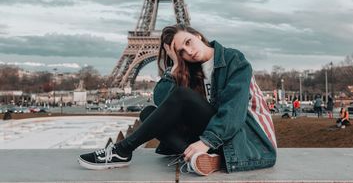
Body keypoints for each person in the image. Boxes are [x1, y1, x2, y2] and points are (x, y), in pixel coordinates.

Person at [78, 24, 277, 175]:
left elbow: (233, 111)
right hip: (219, 135)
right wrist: (174, 68)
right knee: (148, 112)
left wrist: (206, 141)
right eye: (181, 52)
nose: (188, 52)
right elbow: (162, 100)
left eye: (188, 42)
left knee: (182, 95)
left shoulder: (234, 60)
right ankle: (198, 158)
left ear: (198, 35)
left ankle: (122, 150)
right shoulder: (191, 69)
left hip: (247, 139)